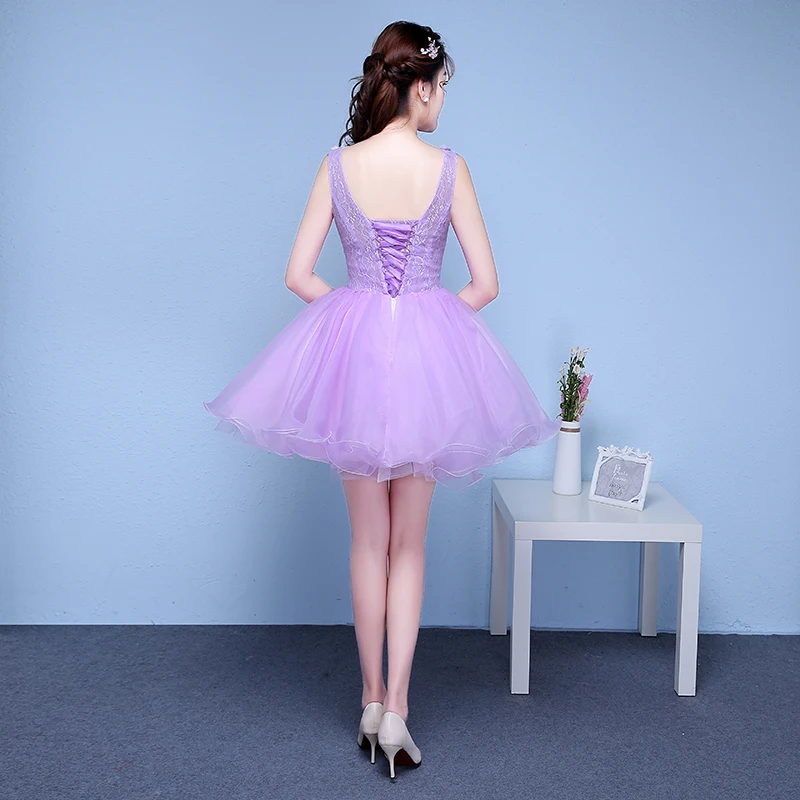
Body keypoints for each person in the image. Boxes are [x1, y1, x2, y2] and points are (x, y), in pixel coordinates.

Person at [203, 20, 561, 779]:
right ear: (420, 87)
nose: (443, 103)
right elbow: (486, 285)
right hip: (427, 368)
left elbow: (299, 276)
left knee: (367, 542)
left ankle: (368, 701)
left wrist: (357, 317)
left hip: (357, 368)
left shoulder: (339, 166)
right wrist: (430, 330)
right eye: (443, 88)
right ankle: (398, 707)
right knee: (409, 546)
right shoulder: (449, 168)